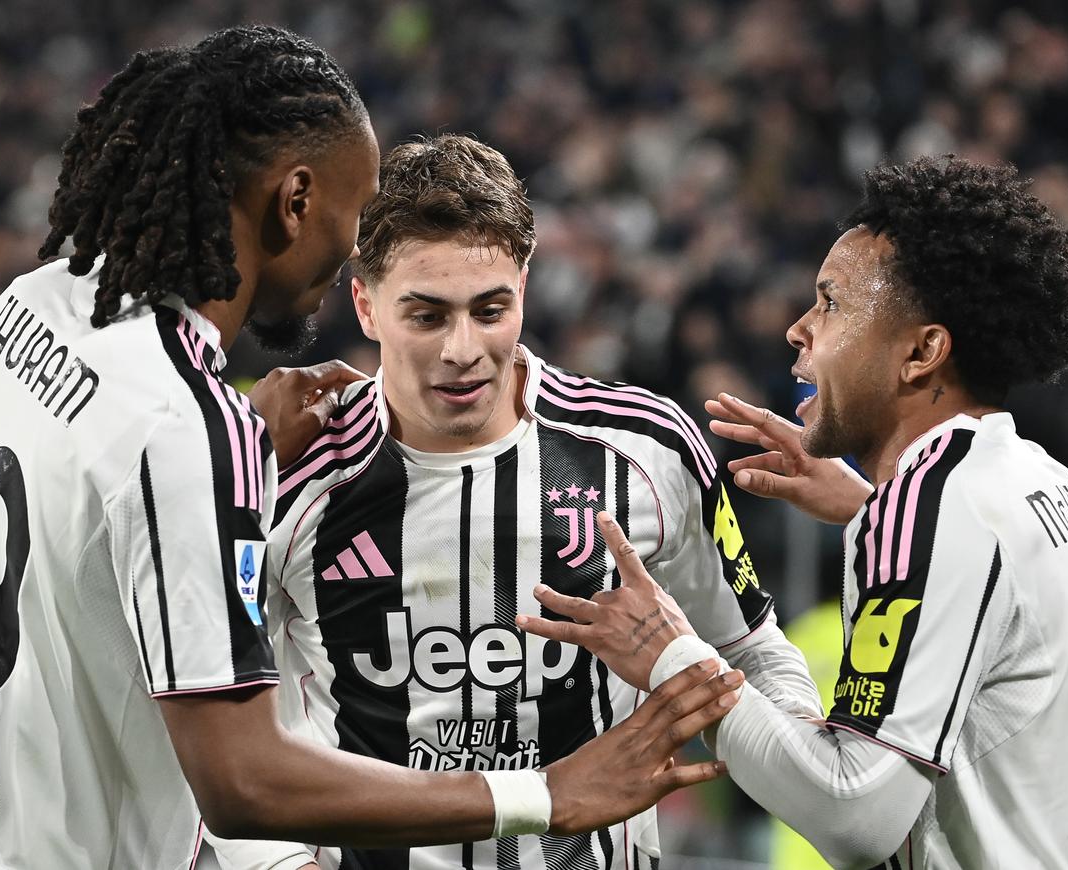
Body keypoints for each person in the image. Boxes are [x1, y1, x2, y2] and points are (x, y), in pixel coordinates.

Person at [0, 27, 739, 870]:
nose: (349, 252)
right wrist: (549, 794)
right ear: (295, 200)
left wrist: (242, 444)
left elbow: (91, 503)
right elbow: (243, 784)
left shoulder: (30, 306)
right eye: (355, 208)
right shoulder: (186, 428)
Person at [209, 133, 819, 870]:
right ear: (366, 307)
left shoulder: (646, 447)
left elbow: (749, 648)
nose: (463, 348)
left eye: (489, 309)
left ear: (524, 291)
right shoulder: (287, 473)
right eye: (427, 315)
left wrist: (815, 781)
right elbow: (215, 728)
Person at [520, 156, 1068, 868]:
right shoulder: (1039, 481)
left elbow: (856, 815)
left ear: (921, 352)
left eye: (831, 304)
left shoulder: (937, 506)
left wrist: (671, 655)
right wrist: (875, 512)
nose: (798, 328)